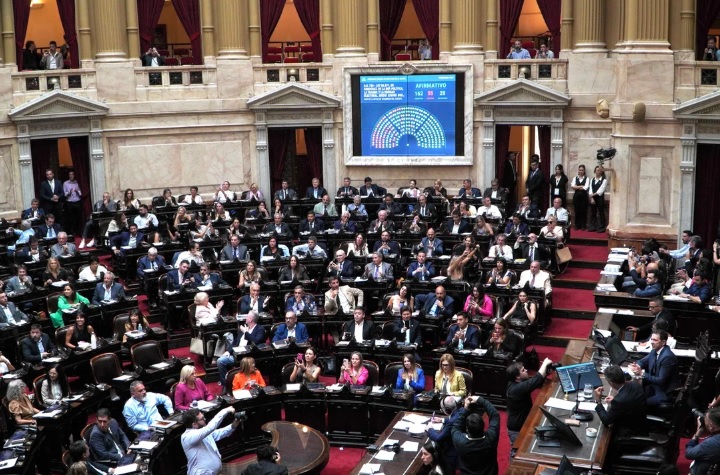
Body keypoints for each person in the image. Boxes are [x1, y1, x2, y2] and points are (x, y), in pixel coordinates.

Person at [182, 406, 241, 475]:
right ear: (194, 424)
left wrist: (235, 423)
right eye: (202, 419)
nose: (205, 419)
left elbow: (220, 433)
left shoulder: (202, 431)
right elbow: (211, 427)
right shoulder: (187, 437)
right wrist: (225, 410)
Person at [506, 358, 552, 445]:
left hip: (524, 423)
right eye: (523, 370)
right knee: (517, 450)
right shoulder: (516, 389)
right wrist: (544, 364)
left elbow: (536, 382)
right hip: (517, 429)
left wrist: (546, 372)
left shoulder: (518, 382)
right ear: (517, 376)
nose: (526, 370)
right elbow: (537, 379)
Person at [593, 365, 648, 437]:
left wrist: (598, 401)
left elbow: (606, 420)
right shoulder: (635, 384)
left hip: (629, 434)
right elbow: (629, 401)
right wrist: (615, 399)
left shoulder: (619, 401)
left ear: (611, 383)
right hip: (641, 425)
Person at [628, 330, 679, 407]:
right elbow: (642, 362)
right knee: (632, 395)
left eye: (655, 340)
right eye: (651, 339)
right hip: (653, 386)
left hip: (663, 392)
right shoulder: (654, 351)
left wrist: (642, 373)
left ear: (663, 342)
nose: (651, 342)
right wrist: (637, 366)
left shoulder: (667, 357)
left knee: (636, 403)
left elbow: (661, 381)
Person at [451, 396, 500, 475]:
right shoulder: (491, 438)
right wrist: (480, 399)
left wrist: (465, 409)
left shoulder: (460, 441)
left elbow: (456, 427)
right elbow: (495, 415)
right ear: (483, 426)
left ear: (467, 430)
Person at [216, 311, 266, 388]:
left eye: (247, 316)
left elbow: (255, 342)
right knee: (220, 361)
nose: (245, 318)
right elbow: (235, 342)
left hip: (248, 356)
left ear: (251, 319)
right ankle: (225, 385)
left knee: (221, 361)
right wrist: (228, 351)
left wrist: (246, 332)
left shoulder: (260, 329)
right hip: (236, 354)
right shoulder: (244, 328)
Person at [685, 408, 720, 475]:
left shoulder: (711, 443)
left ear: (711, 426)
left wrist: (698, 432)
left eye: (705, 420)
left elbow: (689, 453)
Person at [588, 165, 607, 233]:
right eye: (596, 170)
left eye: (599, 170)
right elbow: (590, 188)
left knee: (601, 212)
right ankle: (592, 226)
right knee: (593, 212)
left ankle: (602, 227)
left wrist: (592, 195)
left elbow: (601, 190)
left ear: (601, 172)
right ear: (595, 171)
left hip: (600, 198)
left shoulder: (604, 180)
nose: (598, 171)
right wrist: (592, 197)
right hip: (593, 198)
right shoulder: (592, 179)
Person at [571, 164, 589, 230]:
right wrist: (581, 186)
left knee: (583, 211)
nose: (581, 171)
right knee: (577, 211)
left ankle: (583, 226)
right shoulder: (575, 178)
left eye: (582, 170)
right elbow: (573, 186)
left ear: (584, 171)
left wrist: (577, 187)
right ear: (578, 171)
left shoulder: (587, 178)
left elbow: (586, 187)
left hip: (584, 196)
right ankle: (577, 225)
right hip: (576, 196)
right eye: (580, 170)